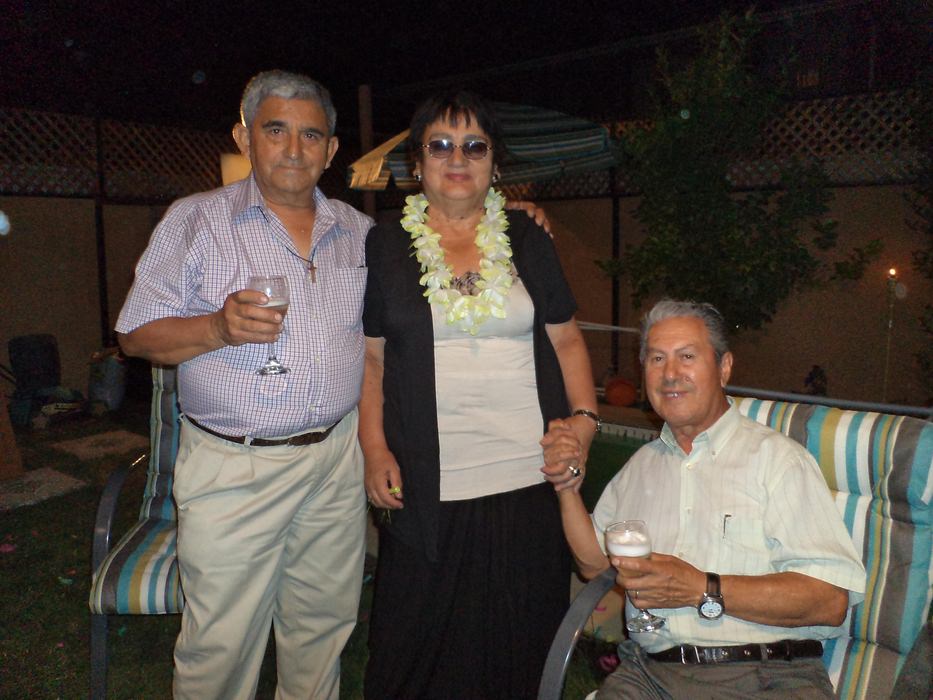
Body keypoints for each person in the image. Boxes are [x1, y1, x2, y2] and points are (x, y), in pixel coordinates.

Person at [116, 70, 372, 699]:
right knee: (221, 647)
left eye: (311, 135)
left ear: (332, 149)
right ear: (244, 137)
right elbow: (135, 335)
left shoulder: (360, 233)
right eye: (276, 130)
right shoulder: (196, 221)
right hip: (236, 468)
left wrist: (509, 219)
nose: (294, 149)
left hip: (336, 461)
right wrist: (217, 327)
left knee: (321, 631)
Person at [360, 90, 599, 699]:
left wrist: (585, 422)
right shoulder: (385, 244)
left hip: (528, 476)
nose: (457, 158)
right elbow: (372, 357)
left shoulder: (527, 235)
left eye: (474, 145)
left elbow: (568, 340)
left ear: (494, 163)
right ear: (417, 163)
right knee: (412, 648)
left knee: (518, 646)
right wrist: (374, 448)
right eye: (440, 144)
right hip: (428, 481)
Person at [548, 299, 866, 699]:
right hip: (650, 677)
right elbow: (594, 565)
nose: (670, 374)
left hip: (764, 676)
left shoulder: (778, 461)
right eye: (657, 358)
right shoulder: (641, 467)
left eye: (687, 356)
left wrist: (701, 587)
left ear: (724, 367)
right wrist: (567, 486)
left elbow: (829, 600)